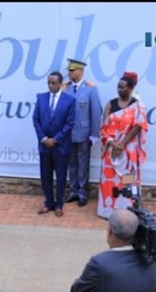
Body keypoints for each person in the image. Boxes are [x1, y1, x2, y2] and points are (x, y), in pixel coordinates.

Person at [97, 75, 149, 219]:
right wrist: (113, 143)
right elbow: (103, 128)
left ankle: (127, 209)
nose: (119, 90)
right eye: (118, 87)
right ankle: (109, 210)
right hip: (111, 150)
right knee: (110, 181)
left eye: (122, 87)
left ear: (131, 88)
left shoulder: (137, 105)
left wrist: (122, 145)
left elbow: (138, 127)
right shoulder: (111, 104)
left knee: (127, 181)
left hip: (128, 153)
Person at [33, 71, 76, 217]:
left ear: (60, 83)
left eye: (53, 83)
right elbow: (36, 120)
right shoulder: (41, 98)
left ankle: (59, 204)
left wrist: (56, 139)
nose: (50, 85)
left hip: (61, 146)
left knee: (61, 176)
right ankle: (48, 202)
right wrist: (44, 139)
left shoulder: (69, 100)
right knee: (45, 176)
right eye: (49, 82)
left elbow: (70, 123)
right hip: (44, 145)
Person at [63, 59, 102, 207]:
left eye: (72, 70)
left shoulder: (90, 89)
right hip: (68, 133)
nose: (69, 73)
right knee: (71, 163)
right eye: (69, 70)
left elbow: (96, 112)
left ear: (81, 71)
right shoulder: (64, 88)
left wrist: (94, 134)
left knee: (83, 164)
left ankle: (82, 193)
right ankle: (73, 191)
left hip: (84, 132)